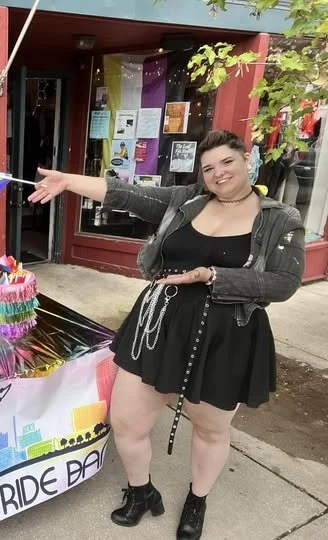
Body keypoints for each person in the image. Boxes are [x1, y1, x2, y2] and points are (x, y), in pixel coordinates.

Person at [29, 130, 305, 540]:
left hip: (227, 334)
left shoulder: (280, 217)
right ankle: (141, 492)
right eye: (208, 167)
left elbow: (284, 282)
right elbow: (126, 195)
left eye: (227, 162)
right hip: (158, 324)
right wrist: (69, 181)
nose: (218, 173)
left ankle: (198, 498)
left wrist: (214, 276)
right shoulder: (187, 201)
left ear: (247, 160)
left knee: (211, 429)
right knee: (126, 420)